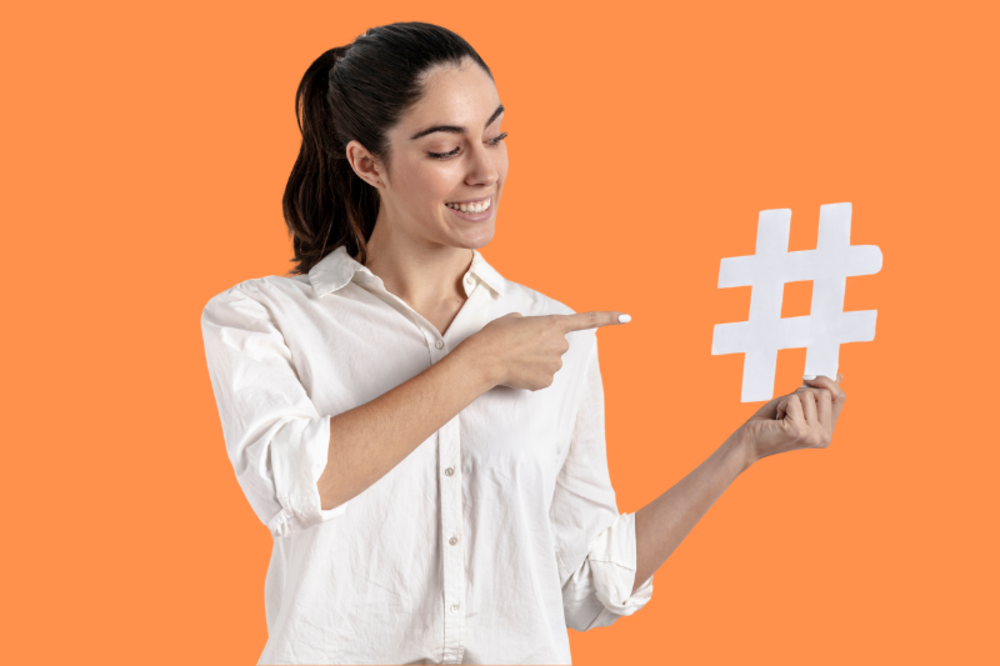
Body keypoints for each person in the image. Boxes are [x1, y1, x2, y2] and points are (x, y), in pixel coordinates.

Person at [200, 21, 847, 666]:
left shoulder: (549, 331)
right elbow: (296, 486)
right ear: (368, 163)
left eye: (496, 136)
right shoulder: (265, 317)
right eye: (445, 150)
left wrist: (742, 451)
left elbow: (586, 583)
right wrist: (479, 364)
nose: (485, 170)